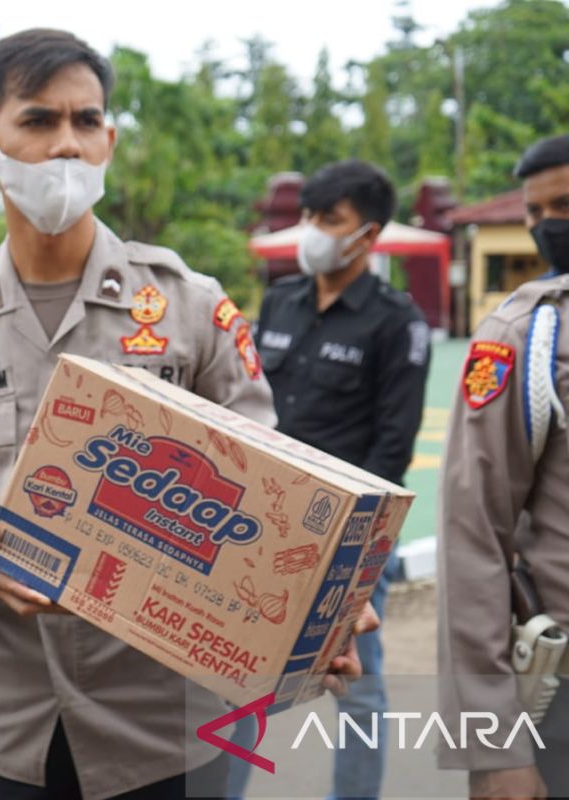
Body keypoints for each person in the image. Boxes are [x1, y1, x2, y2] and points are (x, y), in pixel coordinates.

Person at [0, 30, 376, 800]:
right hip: (14, 724)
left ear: (109, 138)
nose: (66, 147)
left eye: (86, 122)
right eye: (38, 122)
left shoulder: (188, 304)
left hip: (168, 725)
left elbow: (277, 495)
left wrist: (326, 608)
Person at [234, 160, 429, 800]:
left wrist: (343, 546)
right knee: (235, 676)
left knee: (359, 686)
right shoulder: (281, 299)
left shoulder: (397, 322)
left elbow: (393, 445)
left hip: (348, 537)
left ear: (368, 235)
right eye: (309, 217)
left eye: (330, 220)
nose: (313, 231)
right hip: (263, 524)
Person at [438, 133, 569, 800]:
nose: (550, 227)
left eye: (566, 205)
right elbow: (471, 537)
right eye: (536, 214)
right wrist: (491, 745)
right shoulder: (531, 335)